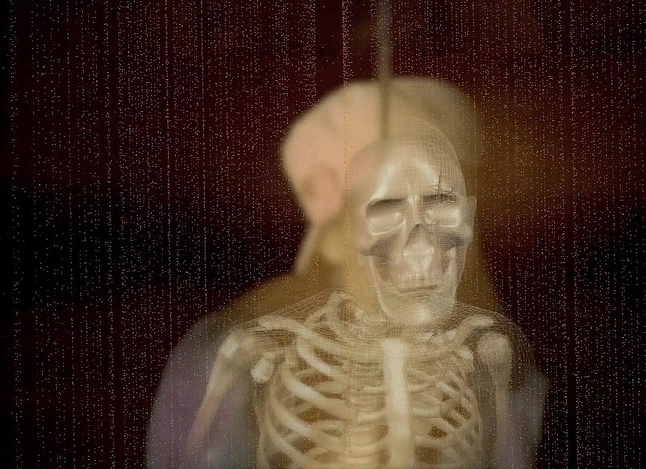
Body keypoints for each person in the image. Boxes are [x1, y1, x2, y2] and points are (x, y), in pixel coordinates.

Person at [146, 78, 521, 468]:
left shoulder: (494, 356)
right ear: (336, 235)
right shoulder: (234, 352)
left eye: (442, 204)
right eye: (387, 208)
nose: (423, 245)